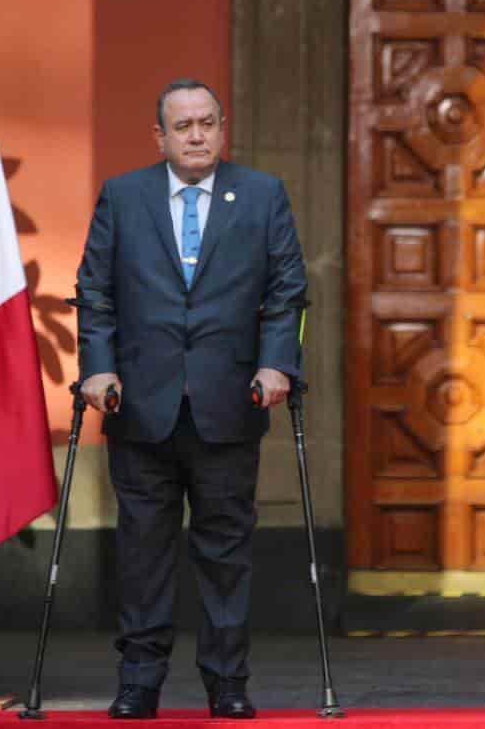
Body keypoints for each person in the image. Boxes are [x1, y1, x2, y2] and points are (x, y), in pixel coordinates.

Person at [76, 78, 307, 720]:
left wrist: (275, 362)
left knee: (224, 554)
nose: (198, 134)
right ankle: (139, 682)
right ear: (161, 136)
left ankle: (227, 683)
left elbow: (287, 291)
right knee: (144, 552)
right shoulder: (124, 197)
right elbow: (94, 292)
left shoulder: (261, 195)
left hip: (230, 404)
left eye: (208, 123)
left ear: (222, 128)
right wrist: (98, 369)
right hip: (139, 407)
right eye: (184, 126)